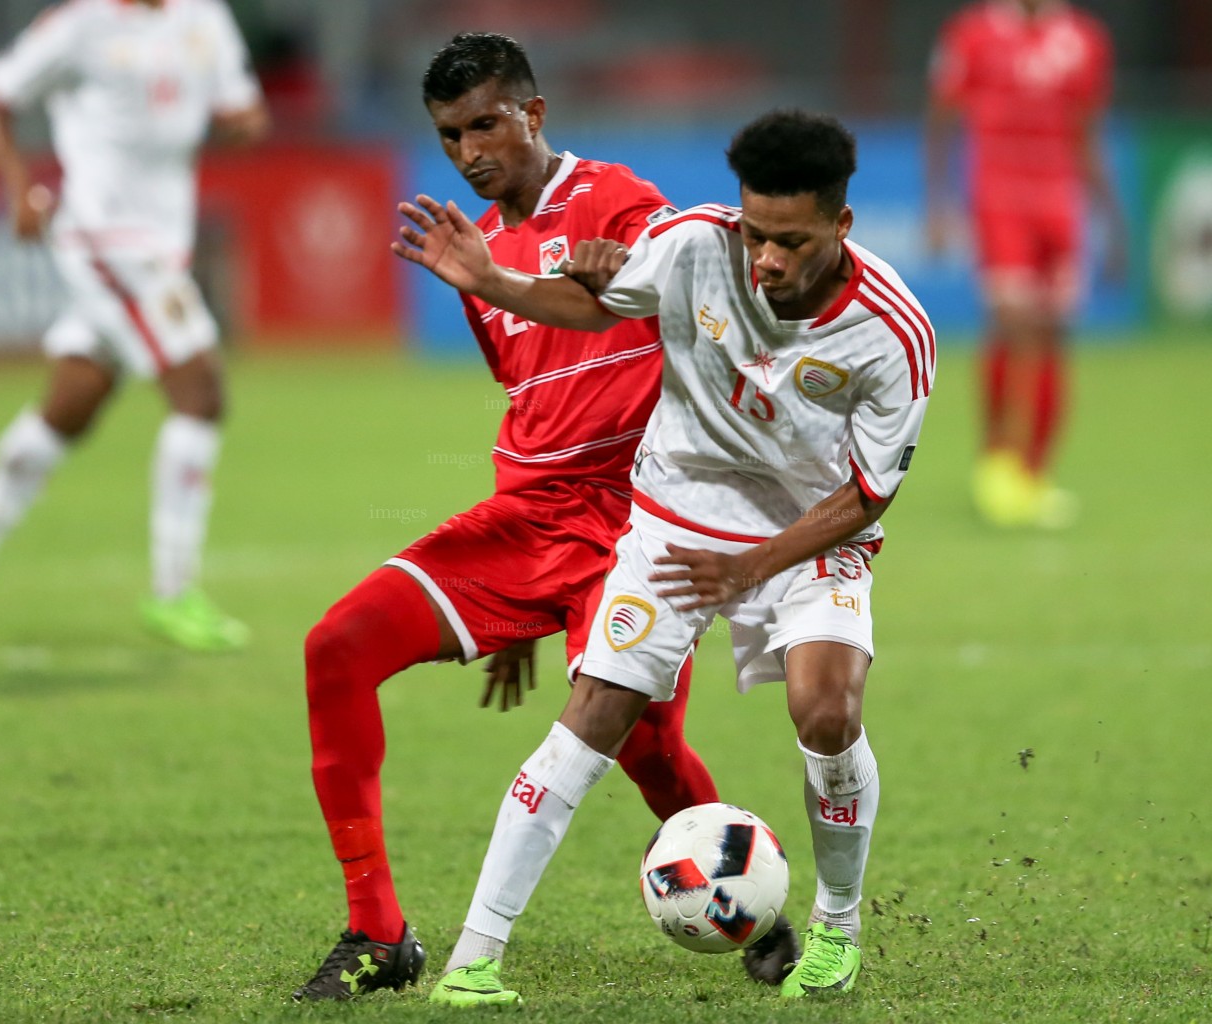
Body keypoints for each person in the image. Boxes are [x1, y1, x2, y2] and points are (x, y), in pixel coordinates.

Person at [292, 33, 798, 1002]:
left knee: (642, 742)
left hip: (632, 523)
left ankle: (755, 909)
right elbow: (529, 391)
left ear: (533, 113)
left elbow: (656, 293)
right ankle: (376, 932)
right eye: (449, 135)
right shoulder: (476, 245)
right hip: (524, 522)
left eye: (486, 123)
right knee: (335, 646)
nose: (471, 149)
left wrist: (585, 277)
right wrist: (506, 615)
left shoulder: (615, 199)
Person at [394, 108, 935, 1004]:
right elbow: (594, 302)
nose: (765, 259)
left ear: (841, 227)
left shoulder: (892, 331)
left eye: (791, 242)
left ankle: (838, 927)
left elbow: (868, 494)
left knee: (827, 713)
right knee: (595, 711)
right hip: (676, 520)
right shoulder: (693, 247)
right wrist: (494, 279)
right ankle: (474, 959)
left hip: (806, 534)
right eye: (755, 232)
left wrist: (752, 568)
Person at [0, 0, 269, 659]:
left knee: (71, 404)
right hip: (106, 238)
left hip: (161, 241)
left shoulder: (204, 18)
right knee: (201, 393)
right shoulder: (81, 24)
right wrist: (19, 186)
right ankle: (172, 590)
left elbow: (239, 110)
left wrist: (242, 123)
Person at [925, 0, 1124, 528]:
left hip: (1059, 203)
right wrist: (938, 203)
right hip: (1000, 197)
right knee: (1013, 323)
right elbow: (942, 117)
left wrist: (1113, 223)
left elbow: (1088, 134)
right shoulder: (971, 34)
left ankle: (1034, 473)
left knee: (1053, 333)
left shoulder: (1085, 39)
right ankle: (997, 463)